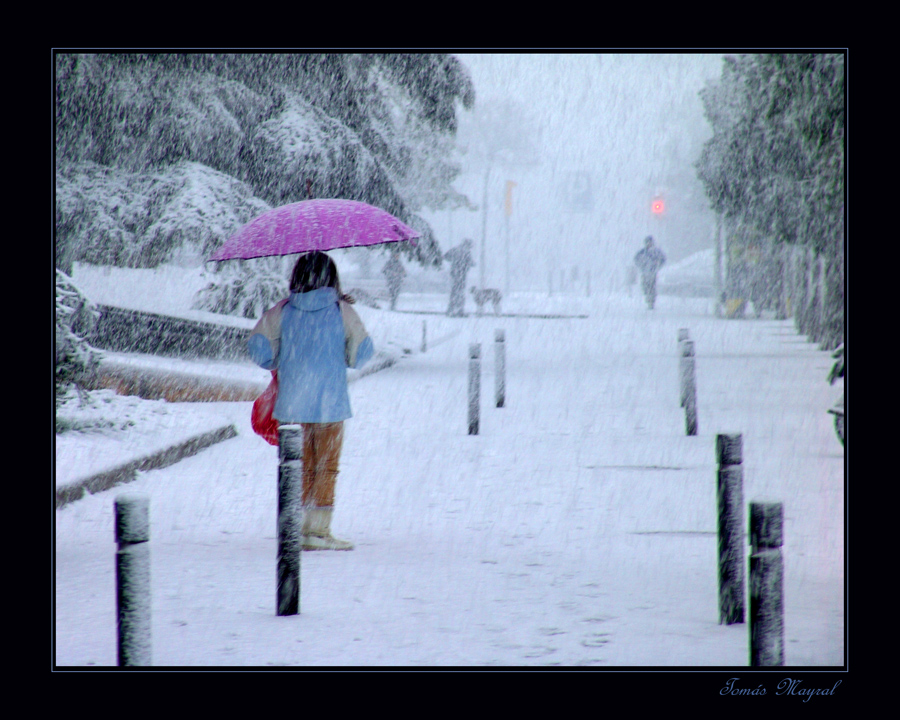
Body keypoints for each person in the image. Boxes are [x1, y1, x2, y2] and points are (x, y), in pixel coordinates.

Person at [248, 251, 375, 551]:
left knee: (298, 466)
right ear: (332, 278)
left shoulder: (282, 311)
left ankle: (296, 528)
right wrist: (340, 355)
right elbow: (362, 353)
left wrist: (279, 359)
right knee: (326, 467)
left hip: (292, 407)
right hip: (330, 404)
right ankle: (318, 531)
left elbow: (258, 348)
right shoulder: (342, 311)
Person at [444, 239, 475, 317]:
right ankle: (459, 310)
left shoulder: (455, 249)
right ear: (467, 245)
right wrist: (468, 264)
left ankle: (451, 310)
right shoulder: (467, 252)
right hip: (462, 274)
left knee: (454, 292)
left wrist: (454, 261)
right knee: (460, 292)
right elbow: (471, 262)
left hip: (454, 273)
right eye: (470, 246)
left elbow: (445, 256)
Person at [633, 235, 666, 309]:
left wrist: (657, 266)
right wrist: (642, 266)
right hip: (645, 273)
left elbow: (663, 259)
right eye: (647, 242)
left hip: (652, 273)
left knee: (651, 287)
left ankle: (651, 301)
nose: (649, 244)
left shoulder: (656, 252)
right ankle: (648, 298)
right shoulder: (642, 252)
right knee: (645, 287)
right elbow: (636, 259)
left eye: (650, 242)